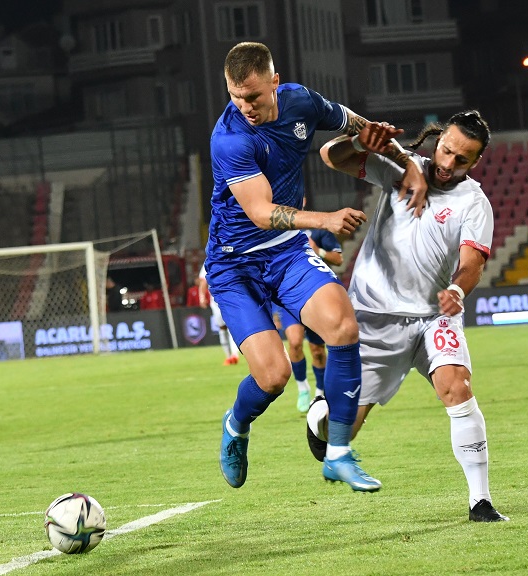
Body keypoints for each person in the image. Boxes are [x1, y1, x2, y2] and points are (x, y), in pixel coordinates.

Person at [207, 41, 426, 492]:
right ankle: (236, 425)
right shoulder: (229, 138)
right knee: (273, 377)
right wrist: (324, 220)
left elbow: (354, 124)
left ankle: (338, 454)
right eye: (235, 96)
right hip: (234, 265)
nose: (245, 106)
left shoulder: (301, 102)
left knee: (343, 326)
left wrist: (402, 158)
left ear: (275, 82)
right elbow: (260, 213)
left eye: (253, 96)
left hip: (286, 252)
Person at [308, 109, 509, 522]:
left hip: (435, 316)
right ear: (439, 140)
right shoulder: (403, 167)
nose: (449, 163)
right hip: (376, 316)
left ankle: (481, 501)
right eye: (446, 150)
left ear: (476, 161)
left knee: (457, 387)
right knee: (337, 434)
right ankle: (321, 411)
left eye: (462, 159)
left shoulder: (475, 203)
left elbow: (472, 264)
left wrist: (456, 290)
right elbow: (331, 156)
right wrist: (359, 142)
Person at [279, 226, 344, 413]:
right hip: (288, 295)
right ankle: (303, 388)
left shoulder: (319, 229)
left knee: (317, 351)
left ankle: (320, 393)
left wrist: (318, 251)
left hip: (315, 295)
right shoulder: (280, 228)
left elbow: (338, 259)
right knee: (295, 343)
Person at [197, 264, 239, 365]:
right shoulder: (208, 262)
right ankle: (229, 356)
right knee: (222, 327)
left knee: (230, 326)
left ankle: (234, 355)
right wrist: (202, 297)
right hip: (216, 301)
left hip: (229, 298)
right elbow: (203, 281)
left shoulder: (228, 259)